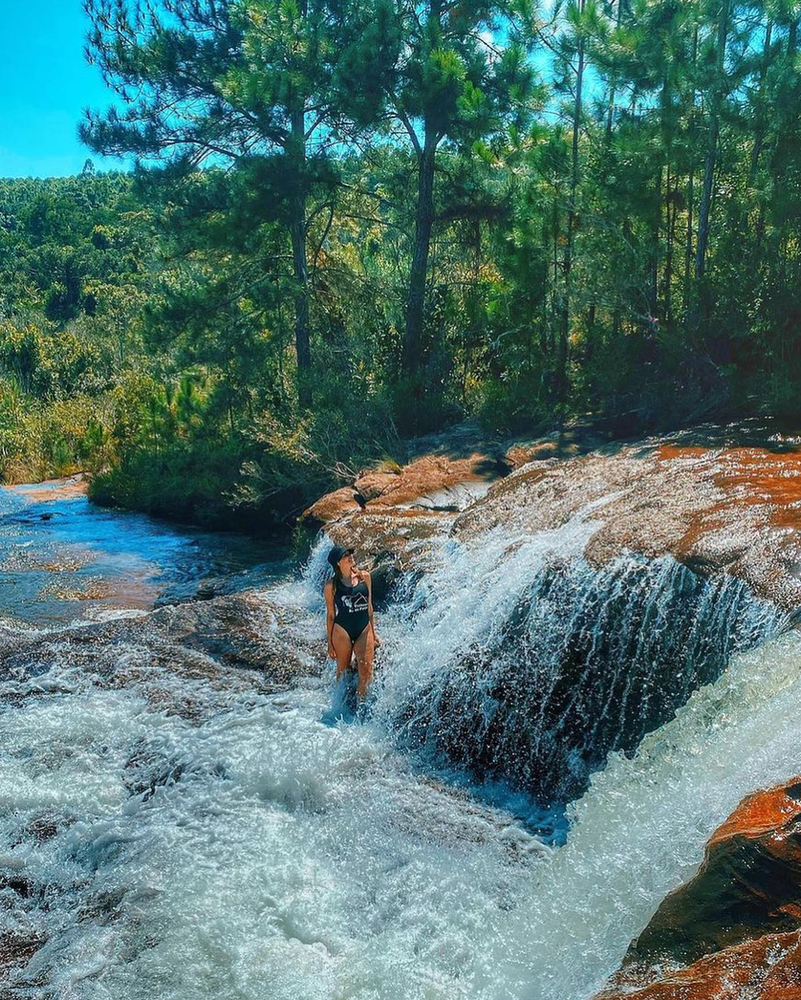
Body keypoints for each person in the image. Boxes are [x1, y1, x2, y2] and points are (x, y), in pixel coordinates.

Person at [324, 545, 380, 703]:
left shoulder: (365, 577)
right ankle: (339, 704)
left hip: (363, 628)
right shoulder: (331, 586)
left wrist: (374, 634)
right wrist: (330, 644)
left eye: (350, 553)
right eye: (345, 555)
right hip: (342, 630)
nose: (350, 556)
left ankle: (360, 707)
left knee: (366, 671)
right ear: (338, 563)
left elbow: (369, 607)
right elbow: (330, 615)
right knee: (343, 671)